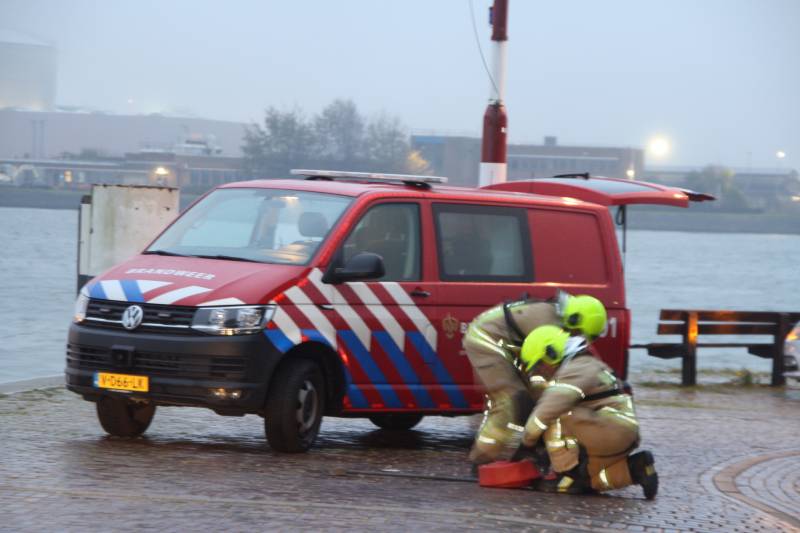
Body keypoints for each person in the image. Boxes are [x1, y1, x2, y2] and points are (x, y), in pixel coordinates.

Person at [462, 292, 607, 467]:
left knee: (541, 397)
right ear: (574, 321)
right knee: (512, 403)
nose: (578, 337)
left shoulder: (565, 317)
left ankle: (539, 450)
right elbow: (556, 367)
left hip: (510, 342)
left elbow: (582, 356)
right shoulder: (549, 324)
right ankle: (481, 459)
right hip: (485, 340)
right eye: (579, 333)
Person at [518, 324, 658, 499]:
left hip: (610, 432)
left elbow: (545, 412)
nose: (540, 371)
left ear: (551, 353)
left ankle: (566, 472)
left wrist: (526, 444)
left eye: (539, 364)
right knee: (587, 481)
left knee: (556, 413)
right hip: (618, 433)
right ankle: (637, 468)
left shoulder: (576, 369)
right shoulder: (586, 363)